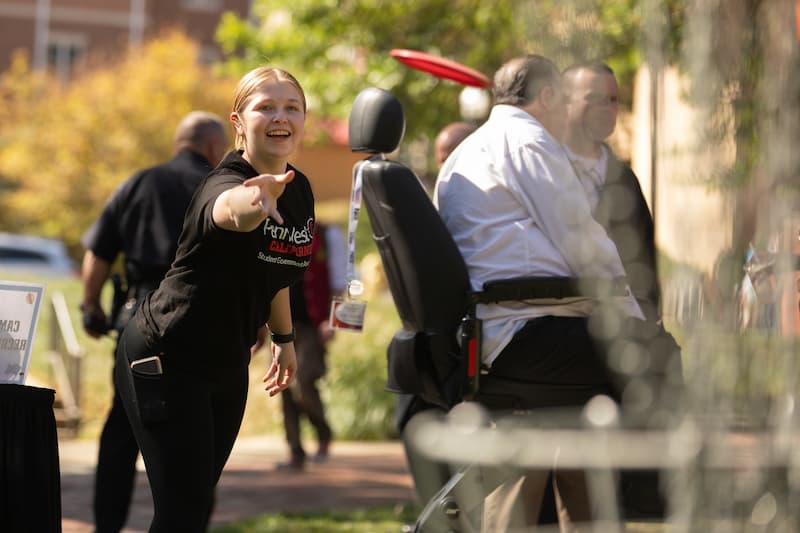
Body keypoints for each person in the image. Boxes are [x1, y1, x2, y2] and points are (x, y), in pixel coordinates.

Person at [434, 54, 682, 530]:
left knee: (581, 422)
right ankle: (655, 496)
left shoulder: (473, 146)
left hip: (502, 327)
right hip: (526, 332)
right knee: (656, 354)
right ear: (547, 96)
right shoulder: (528, 140)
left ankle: (608, 506)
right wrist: (634, 316)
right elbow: (582, 242)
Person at [113, 66, 314, 532]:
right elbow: (231, 212)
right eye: (265, 107)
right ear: (239, 122)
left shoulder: (297, 187)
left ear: (304, 119)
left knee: (197, 502)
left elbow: (277, 267)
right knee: (182, 509)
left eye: (292, 107)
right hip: (166, 353)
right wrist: (254, 201)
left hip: (226, 358)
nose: (280, 116)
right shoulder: (224, 184)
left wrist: (285, 338)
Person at [79, 110, 228, 533]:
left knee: (121, 432)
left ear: (180, 142)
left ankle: (107, 525)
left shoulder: (138, 183)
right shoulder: (220, 187)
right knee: (203, 439)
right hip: (201, 321)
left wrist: (91, 307)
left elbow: (98, 254)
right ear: (215, 147)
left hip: (139, 322)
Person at [280, 222, 346, 470]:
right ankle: (295, 450)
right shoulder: (274, 228)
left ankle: (323, 433)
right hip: (283, 324)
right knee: (282, 386)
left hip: (312, 325)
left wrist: (334, 321)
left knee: (303, 381)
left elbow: (341, 280)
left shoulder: (328, 234)